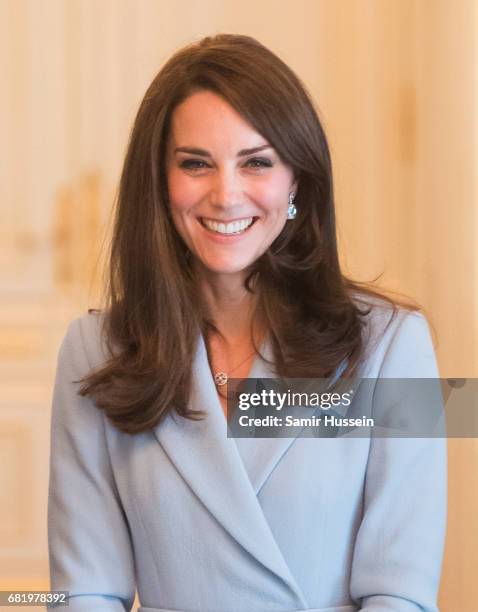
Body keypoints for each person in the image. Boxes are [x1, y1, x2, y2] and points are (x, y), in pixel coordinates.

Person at [47, 34, 447, 612]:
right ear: (160, 185)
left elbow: (402, 594)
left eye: (256, 162)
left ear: (297, 185)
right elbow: (84, 591)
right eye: (195, 164)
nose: (226, 194)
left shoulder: (398, 344)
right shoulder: (92, 351)